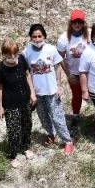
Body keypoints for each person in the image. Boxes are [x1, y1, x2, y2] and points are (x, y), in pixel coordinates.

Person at [23, 23, 75, 155]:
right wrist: (31, 92)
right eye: (34, 37)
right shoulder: (26, 53)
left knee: (57, 117)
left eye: (39, 36)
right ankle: (51, 134)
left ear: (44, 36)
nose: (37, 39)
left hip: (52, 90)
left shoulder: (51, 49)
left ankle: (68, 141)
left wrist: (59, 85)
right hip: (37, 92)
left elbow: (57, 68)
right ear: (30, 38)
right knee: (43, 116)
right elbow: (26, 73)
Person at [0, 38, 37, 168]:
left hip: (25, 100)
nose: (13, 57)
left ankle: (25, 147)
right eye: (9, 55)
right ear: (4, 54)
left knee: (27, 125)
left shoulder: (22, 59)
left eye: (15, 54)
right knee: (14, 130)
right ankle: (12, 155)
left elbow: (27, 75)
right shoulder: (0, 68)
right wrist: (0, 107)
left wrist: (32, 93)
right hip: (11, 104)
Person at [56, 9, 90, 128]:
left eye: (80, 22)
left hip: (90, 72)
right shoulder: (64, 38)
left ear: (84, 23)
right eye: (75, 22)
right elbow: (60, 58)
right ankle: (75, 116)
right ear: (70, 22)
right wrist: (69, 75)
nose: (77, 24)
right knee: (77, 95)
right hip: (74, 73)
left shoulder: (89, 34)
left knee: (94, 93)